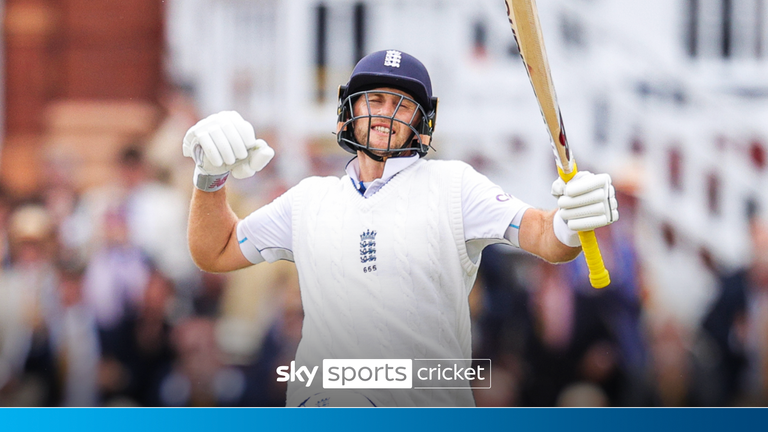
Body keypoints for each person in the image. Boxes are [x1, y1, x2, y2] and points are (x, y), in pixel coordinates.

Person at [183, 50, 618, 407]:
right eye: (374, 99)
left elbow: (543, 236)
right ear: (347, 110)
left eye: (402, 103)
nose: (386, 113)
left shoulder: (454, 186)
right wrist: (210, 179)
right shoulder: (308, 199)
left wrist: (568, 222)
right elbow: (214, 250)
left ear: (422, 120)